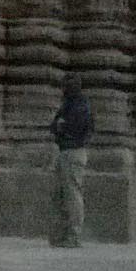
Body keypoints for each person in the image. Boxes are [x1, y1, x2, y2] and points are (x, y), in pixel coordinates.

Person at [48, 76, 93, 248]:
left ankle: (73, 236)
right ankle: (60, 236)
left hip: (74, 152)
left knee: (73, 195)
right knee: (59, 195)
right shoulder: (69, 105)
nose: (63, 90)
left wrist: (61, 126)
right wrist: (59, 126)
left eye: (65, 86)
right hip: (64, 152)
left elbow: (74, 128)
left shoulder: (81, 106)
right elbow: (54, 126)